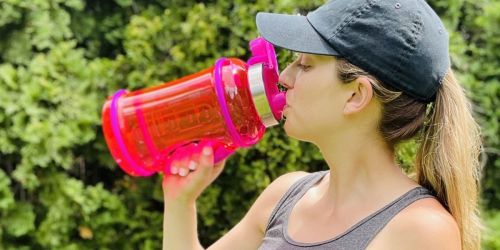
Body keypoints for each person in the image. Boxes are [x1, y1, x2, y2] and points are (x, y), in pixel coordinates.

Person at [162, 0, 484, 249]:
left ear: (356, 95)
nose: (285, 78)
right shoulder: (284, 196)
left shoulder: (420, 230)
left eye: (306, 65)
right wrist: (180, 201)